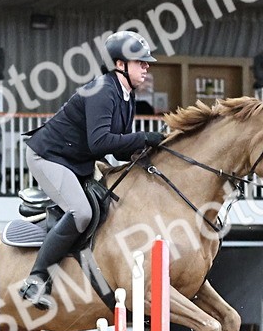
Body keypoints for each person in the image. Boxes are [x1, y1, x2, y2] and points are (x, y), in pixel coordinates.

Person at [19, 30, 165, 309]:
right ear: (120, 64)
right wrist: (143, 137)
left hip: (76, 161)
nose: (146, 67)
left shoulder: (126, 95)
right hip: (49, 157)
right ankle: (36, 281)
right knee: (82, 213)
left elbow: (118, 150)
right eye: (140, 62)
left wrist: (151, 151)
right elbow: (100, 142)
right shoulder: (103, 90)